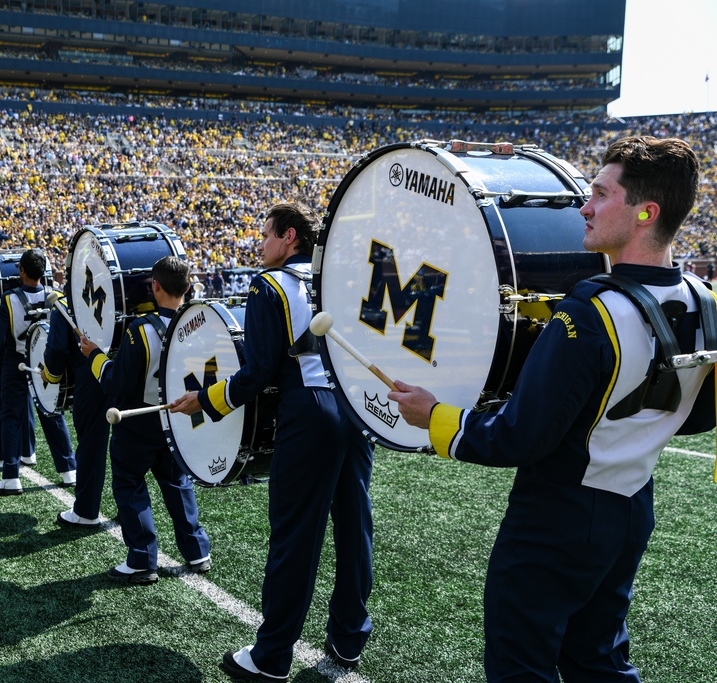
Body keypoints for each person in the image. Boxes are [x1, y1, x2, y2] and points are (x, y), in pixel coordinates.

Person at [388, 136, 714, 682]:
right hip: (631, 507)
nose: (584, 207)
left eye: (601, 194)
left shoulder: (590, 313)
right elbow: (700, 417)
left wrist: (436, 416)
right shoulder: (705, 301)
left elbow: (517, 438)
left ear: (645, 212)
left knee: (521, 667)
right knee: (599, 661)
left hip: (557, 516)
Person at [171, 202, 375, 679]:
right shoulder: (334, 279)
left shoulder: (268, 286)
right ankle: (349, 638)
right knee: (354, 526)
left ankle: (272, 656)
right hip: (354, 406)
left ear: (289, 237)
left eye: (265, 235)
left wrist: (206, 399)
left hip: (311, 411)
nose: (259, 244)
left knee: (295, 534)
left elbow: (259, 372)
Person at [81, 255, 211, 584]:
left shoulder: (140, 330)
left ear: (155, 286)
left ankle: (141, 559)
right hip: (177, 417)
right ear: (187, 288)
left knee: (129, 484)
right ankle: (197, 550)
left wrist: (94, 356)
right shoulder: (200, 325)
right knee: (177, 483)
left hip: (138, 422)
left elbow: (116, 383)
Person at [0, 249, 49, 495]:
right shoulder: (54, 294)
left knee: (9, 415)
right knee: (51, 414)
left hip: (15, 360)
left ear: (21, 270)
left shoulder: (9, 298)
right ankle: (67, 469)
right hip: (43, 361)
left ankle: (10, 475)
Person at [44, 288, 112, 527]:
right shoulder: (114, 294)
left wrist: (50, 375)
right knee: (130, 444)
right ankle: (130, 512)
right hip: (123, 368)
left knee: (91, 443)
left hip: (91, 374)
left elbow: (57, 349)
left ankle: (85, 512)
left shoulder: (63, 305)